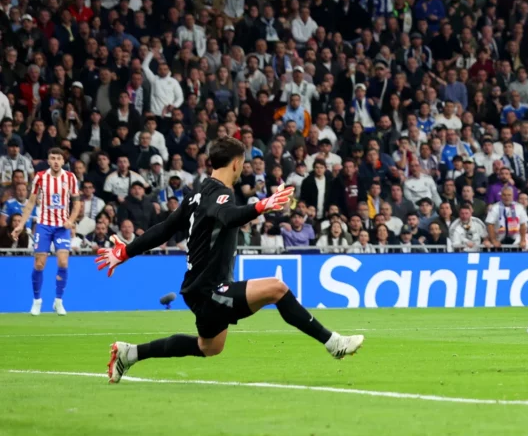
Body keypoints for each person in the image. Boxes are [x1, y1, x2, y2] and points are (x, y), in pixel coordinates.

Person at [96, 137, 363, 384]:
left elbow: (163, 229)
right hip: (209, 290)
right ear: (236, 163)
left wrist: (125, 252)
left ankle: (129, 354)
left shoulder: (196, 195)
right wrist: (260, 206)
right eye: (243, 163)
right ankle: (333, 342)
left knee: (209, 347)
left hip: (198, 289)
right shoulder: (220, 194)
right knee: (277, 289)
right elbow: (228, 215)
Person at [14, 149, 80, 316]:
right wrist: (21, 224)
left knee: (63, 262)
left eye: (59, 158)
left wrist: (71, 221)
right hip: (43, 224)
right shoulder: (41, 177)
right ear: (49, 161)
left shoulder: (70, 178)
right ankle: (37, 301)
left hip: (62, 227)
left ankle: (58, 301)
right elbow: (30, 203)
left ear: (63, 161)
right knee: (39, 264)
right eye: (53, 158)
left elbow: (77, 204)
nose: (56, 161)